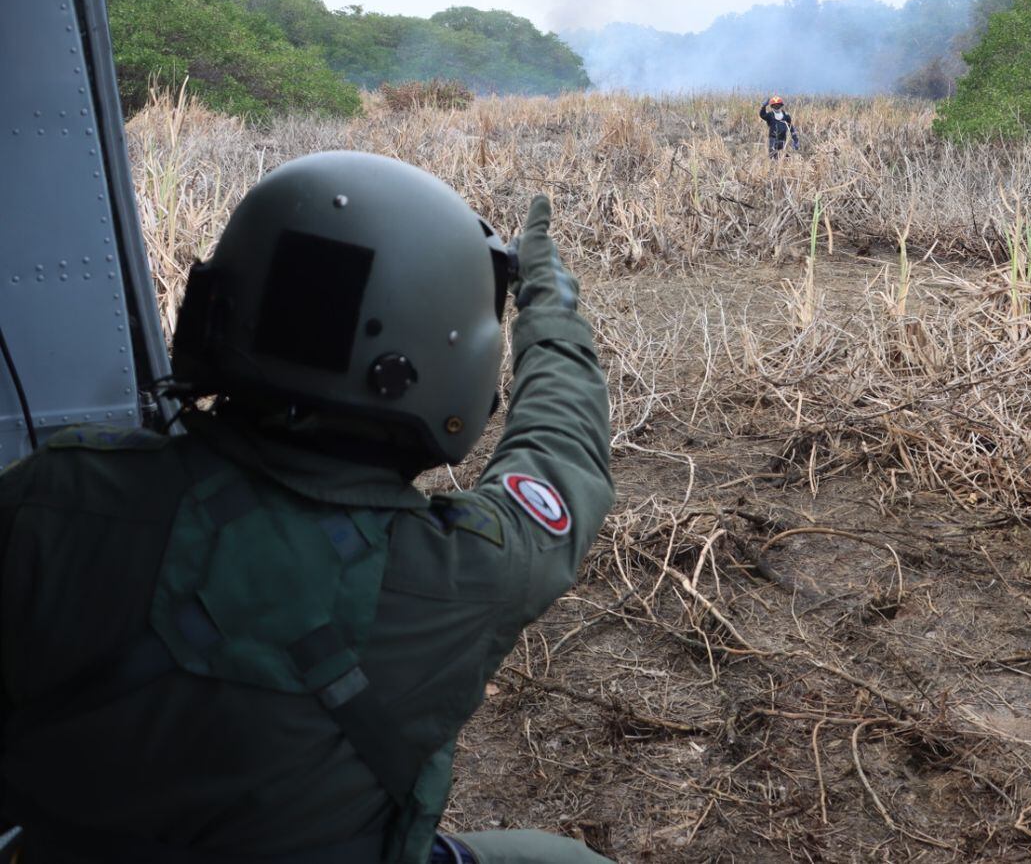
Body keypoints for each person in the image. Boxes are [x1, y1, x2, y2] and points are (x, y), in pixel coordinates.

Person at [0, 151, 614, 864]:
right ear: (449, 364)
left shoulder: (51, 498)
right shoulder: (462, 574)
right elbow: (562, 446)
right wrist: (552, 301)